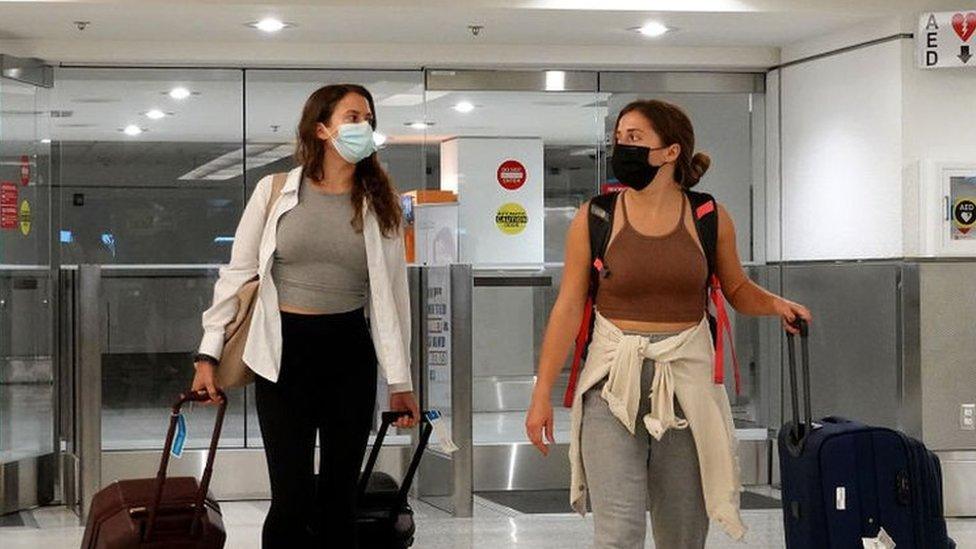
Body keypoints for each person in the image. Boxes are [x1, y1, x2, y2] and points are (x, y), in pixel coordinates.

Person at [525, 99, 812, 549]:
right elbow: (567, 306)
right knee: (617, 534)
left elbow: (736, 289)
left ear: (671, 151)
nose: (623, 147)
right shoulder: (595, 216)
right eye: (619, 138)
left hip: (685, 384)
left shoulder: (708, 216)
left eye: (635, 138)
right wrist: (541, 394)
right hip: (610, 382)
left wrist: (776, 304)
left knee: (682, 533)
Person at [190, 84, 420, 548]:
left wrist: (401, 382)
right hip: (283, 353)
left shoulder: (379, 202)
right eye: (353, 117)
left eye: (369, 118)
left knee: (340, 498)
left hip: (349, 352)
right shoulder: (274, 191)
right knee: (290, 496)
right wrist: (207, 354)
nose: (365, 126)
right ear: (321, 128)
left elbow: (392, 298)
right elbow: (236, 275)